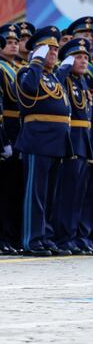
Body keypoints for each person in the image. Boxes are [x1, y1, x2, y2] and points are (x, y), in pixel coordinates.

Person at [15, 26, 72, 257]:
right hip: (38, 140)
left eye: (55, 49)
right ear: (36, 52)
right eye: (48, 48)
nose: (53, 52)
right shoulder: (26, 73)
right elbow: (27, 91)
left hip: (57, 141)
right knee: (35, 195)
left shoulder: (52, 77)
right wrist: (36, 64)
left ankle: (46, 236)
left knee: (50, 195)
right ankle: (32, 239)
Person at [54, 38, 93, 255]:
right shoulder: (65, 79)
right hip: (71, 141)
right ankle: (64, 237)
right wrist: (64, 67)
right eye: (77, 57)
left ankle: (78, 235)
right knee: (67, 193)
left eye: (85, 57)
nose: (83, 61)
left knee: (80, 193)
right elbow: (55, 88)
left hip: (84, 141)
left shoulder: (84, 81)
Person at [0, 25, 22, 254]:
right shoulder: (1, 68)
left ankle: (12, 235)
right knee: (5, 190)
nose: (14, 43)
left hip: (19, 130)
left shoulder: (16, 68)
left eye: (16, 41)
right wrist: (3, 138)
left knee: (15, 187)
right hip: (7, 127)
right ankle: (4, 237)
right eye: (9, 41)